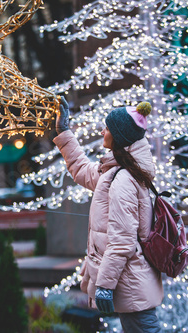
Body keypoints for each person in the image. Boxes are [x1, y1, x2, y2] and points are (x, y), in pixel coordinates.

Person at [54, 97, 164, 332]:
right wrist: (64, 132)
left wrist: (104, 285)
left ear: (118, 136)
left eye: (107, 128)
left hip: (131, 281)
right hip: (132, 280)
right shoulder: (118, 171)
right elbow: (83, 170)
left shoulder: (123, 179)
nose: (102, 131)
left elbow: (122, 241)